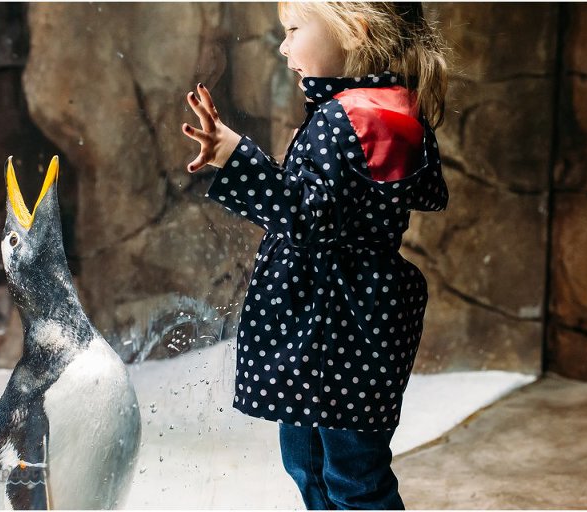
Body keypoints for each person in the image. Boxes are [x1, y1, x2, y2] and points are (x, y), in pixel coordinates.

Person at [181, 2, 449, 509]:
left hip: (329, 323)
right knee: (318, 463)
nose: (284, 46)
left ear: (355, 31)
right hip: (352, 320)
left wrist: (234, 155)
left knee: (349, 473)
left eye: (294, 29)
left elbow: (307, 221)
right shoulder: (388, 109)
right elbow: (428, 191)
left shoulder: (343, 118)